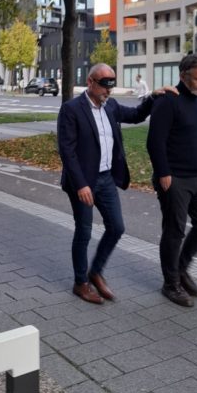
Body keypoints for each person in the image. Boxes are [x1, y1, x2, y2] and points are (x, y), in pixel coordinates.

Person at [57, 63, 176, 305]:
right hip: (83, 183)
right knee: (84, 231)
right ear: (90, 82)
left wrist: (153, 97)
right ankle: (81, 283)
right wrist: (80, 185)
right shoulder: (72, 109)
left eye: (111, 85)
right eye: (104, 86)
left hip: (106, 178)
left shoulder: (110, 105)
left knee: (117, 227)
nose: (109, 91)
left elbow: (135, 115)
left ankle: (96, 271)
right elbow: (67, 151)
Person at [147, 53, 197, 308]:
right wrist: (163, 173)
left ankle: (180, 268)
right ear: (183, 76)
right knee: (174, 231)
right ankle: (170, 284)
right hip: (175, 179)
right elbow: (154, 142)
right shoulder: (168, 101)